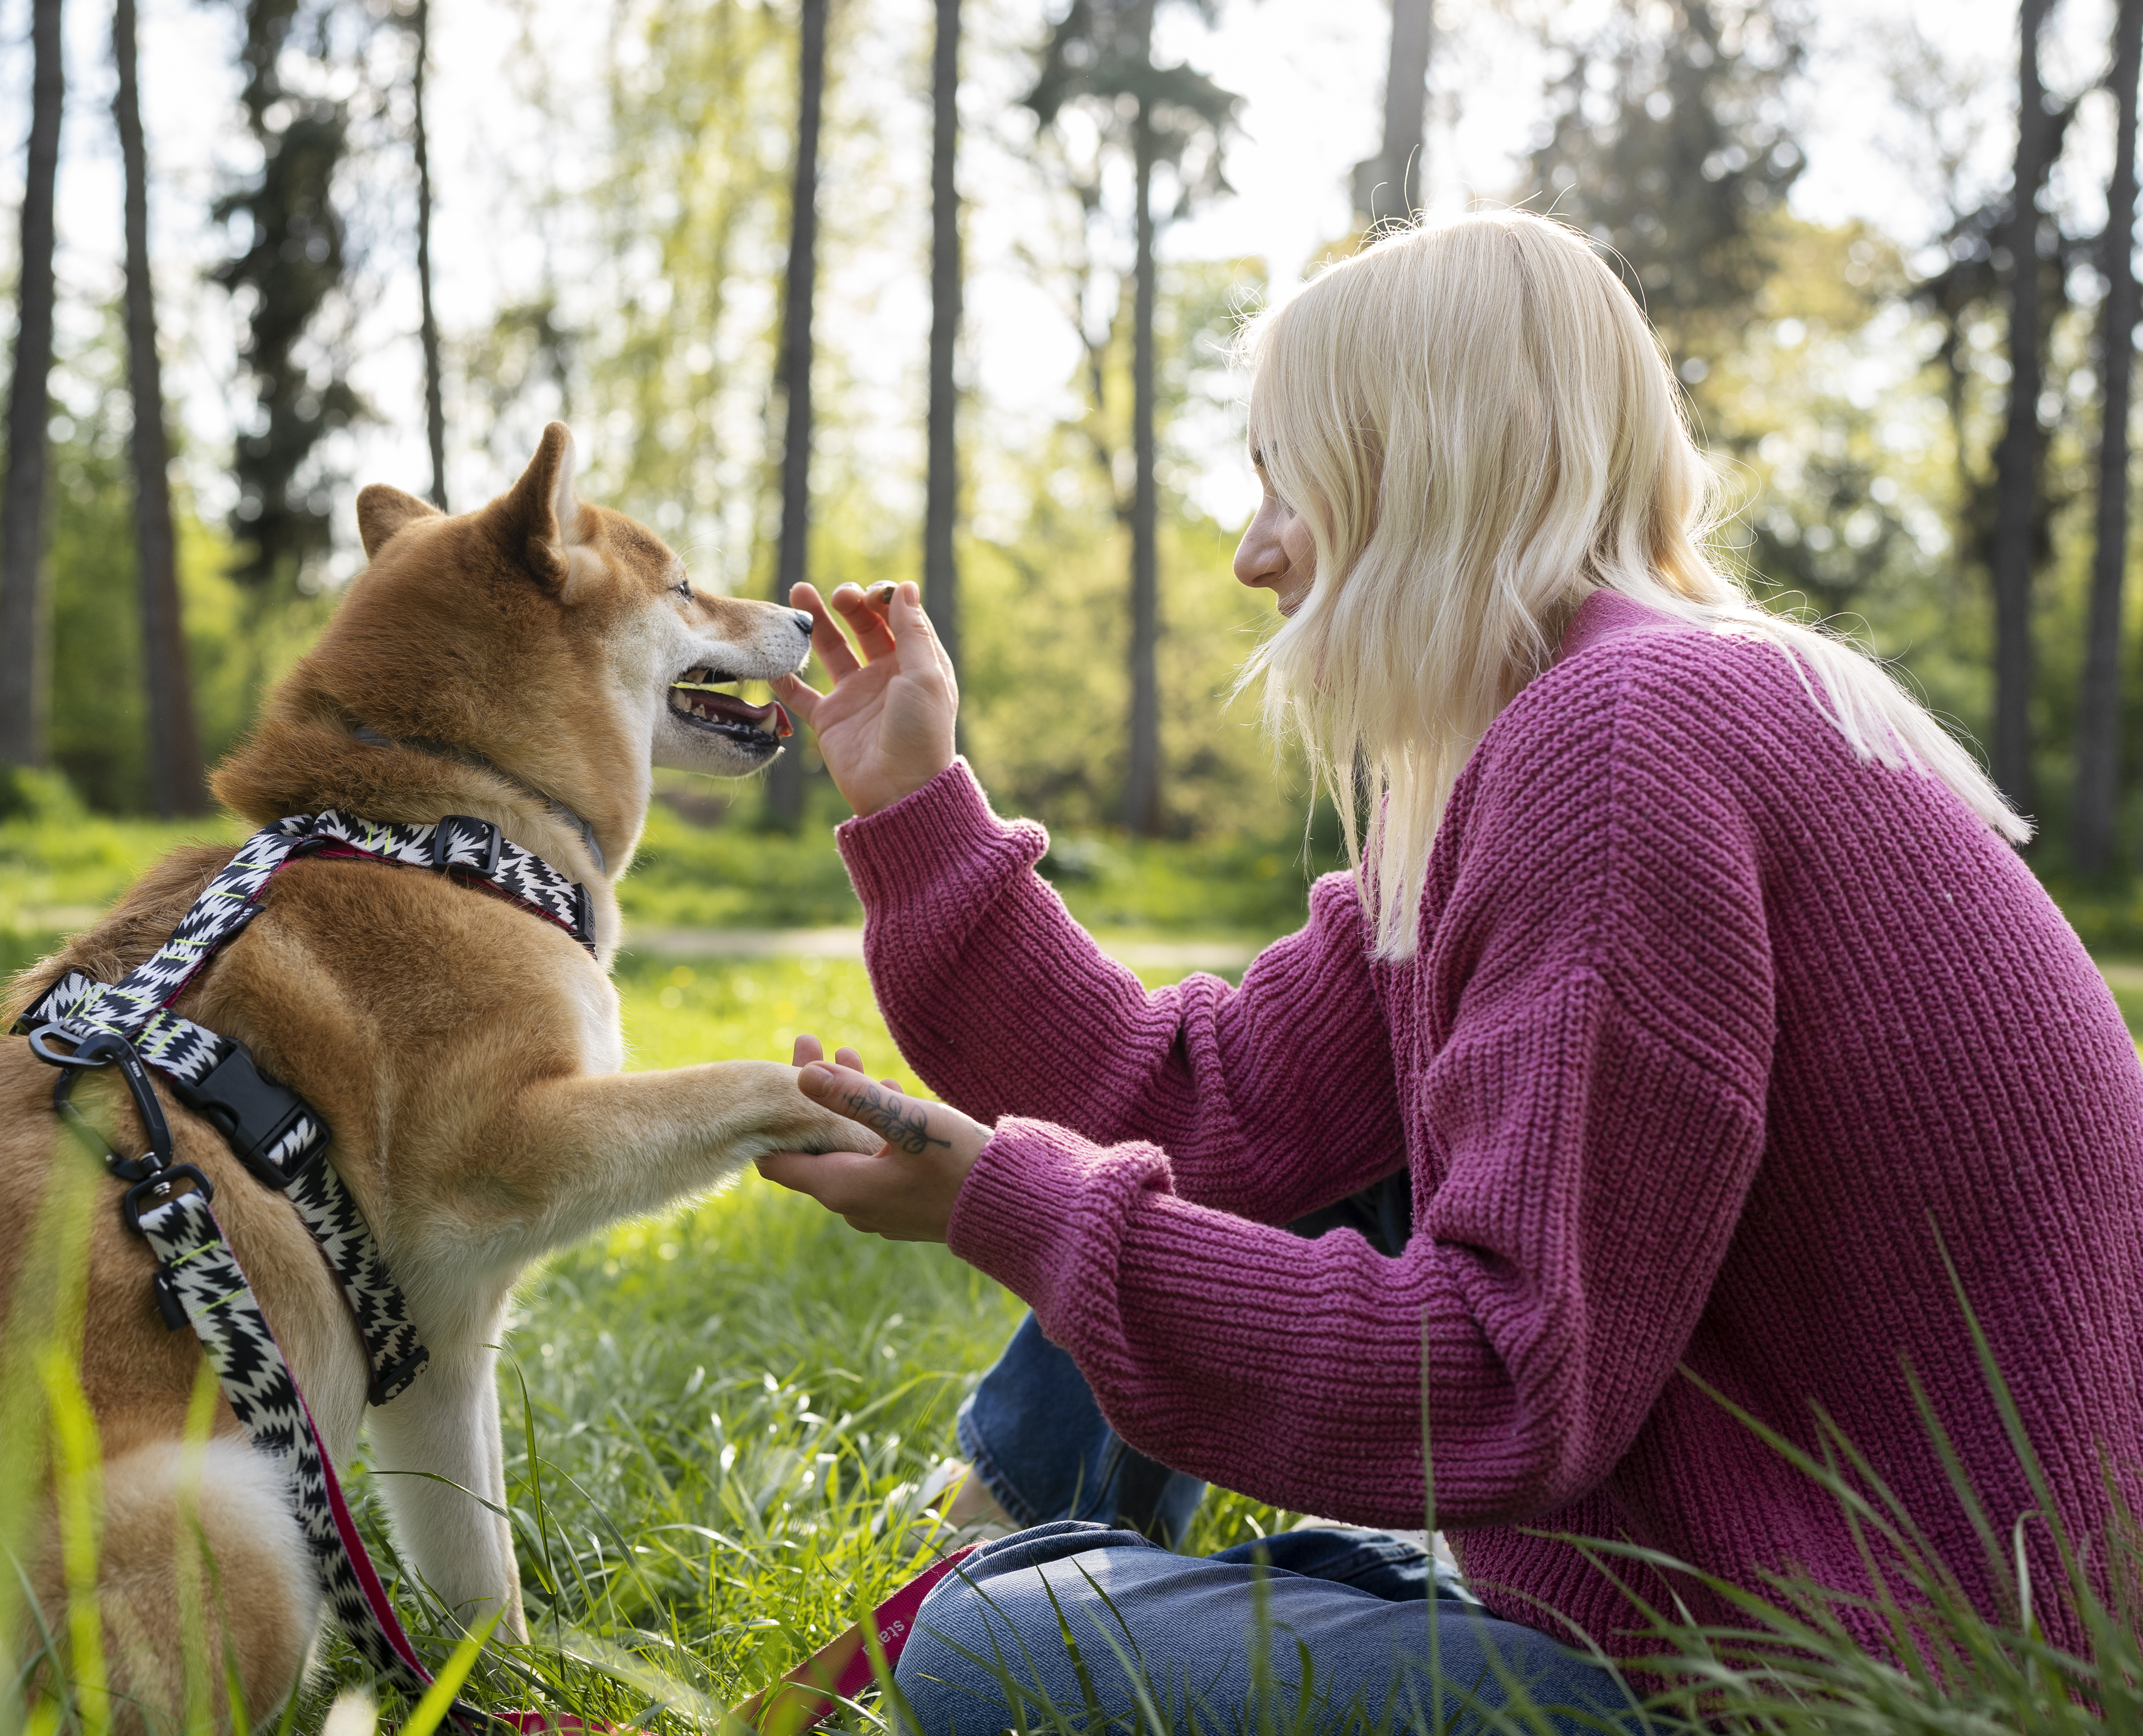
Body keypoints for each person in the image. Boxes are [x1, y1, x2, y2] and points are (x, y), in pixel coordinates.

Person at [752, 210, 2143, 1734]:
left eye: (1289, 475)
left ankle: (1002, 1572)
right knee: (1063, 1522)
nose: (1252, 549)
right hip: (1793, 1590)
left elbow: (1503, 1377)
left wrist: (998, 1203)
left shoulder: (1617, 746)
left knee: (979, 1655)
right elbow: (1196, 1101)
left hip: (1852, 1686)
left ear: (1421, 460)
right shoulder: (1583, 721)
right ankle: (1015, 1543)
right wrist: (914, 797)